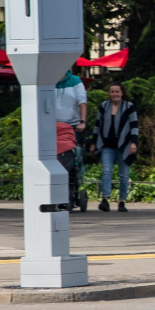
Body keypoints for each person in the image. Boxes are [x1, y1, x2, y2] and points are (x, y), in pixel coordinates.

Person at [97, 81, 140, 213]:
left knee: (124, 175)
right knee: (106, 170)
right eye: (112, 91)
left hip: (124, 145)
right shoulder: (104, 106)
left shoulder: (129, 106)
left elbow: (134, 125)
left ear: (122, 93)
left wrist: (134, 142)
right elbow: (97, 125)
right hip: (107, 145)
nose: (115, 94)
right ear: (109, 93)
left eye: (117, 91)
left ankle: (122, 201)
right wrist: (94, 142)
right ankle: (105, 199)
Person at [54, 67, 88, 212]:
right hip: (53, 126)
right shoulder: (49, 81)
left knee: (74, 157)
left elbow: (82, 101)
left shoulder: (75, 81)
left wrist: (83, 121)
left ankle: (72, 191)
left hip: (73, 125)